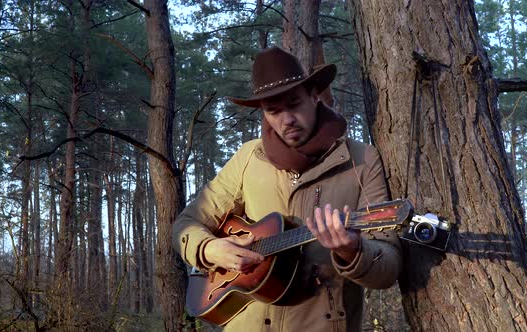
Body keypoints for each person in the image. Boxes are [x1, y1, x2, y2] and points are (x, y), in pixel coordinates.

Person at [172, 46, 402, 332]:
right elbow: (187, 223)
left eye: (294, 104)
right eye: (273, 111)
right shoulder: (247, 158)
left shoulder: (362, 160)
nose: (286, 120)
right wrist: (209, 249)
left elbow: (389, 267)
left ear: (314, 95)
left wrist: (353, 251)